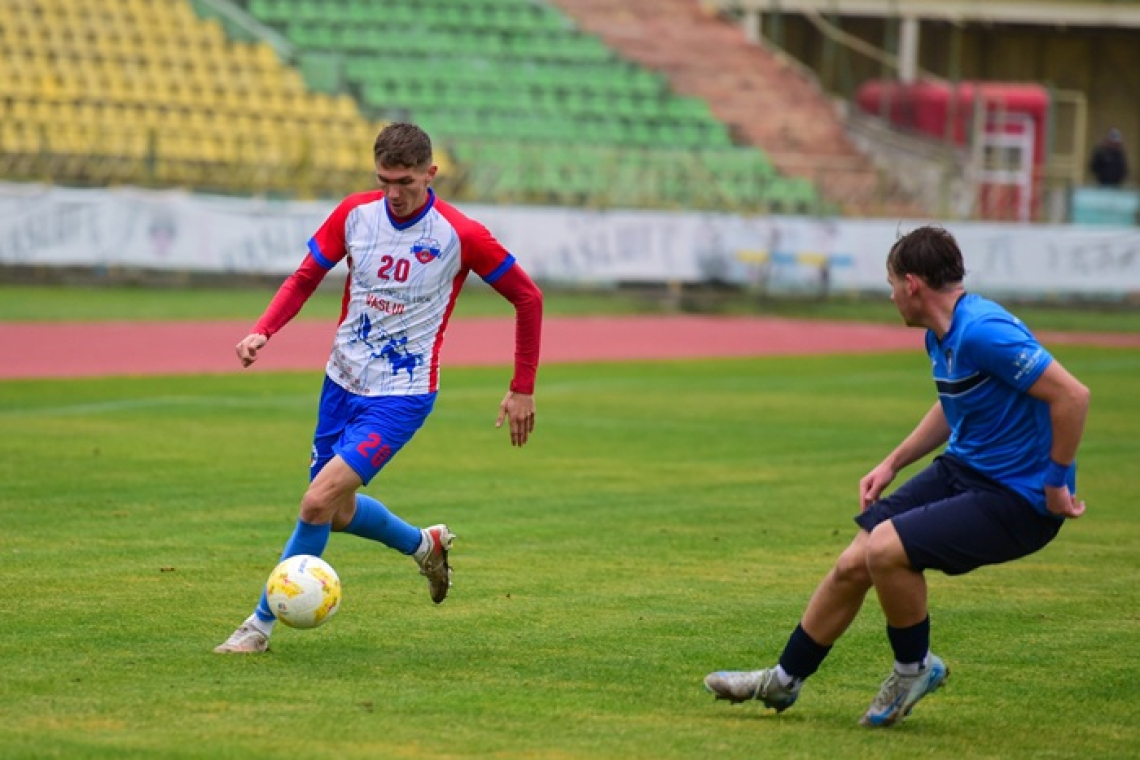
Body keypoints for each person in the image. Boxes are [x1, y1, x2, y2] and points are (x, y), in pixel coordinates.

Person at [704, 225, 1090, 727]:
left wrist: (1056, 483)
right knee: (853, 561)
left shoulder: (983, 330)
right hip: (966, 470)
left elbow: (1072, 396)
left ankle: (913, 671)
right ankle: (783, 680)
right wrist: (892, 462)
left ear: (912, 284)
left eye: (890, 284)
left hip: (1019, 498)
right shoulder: (942, 334)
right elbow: (956, 404)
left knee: (886, 548)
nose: (889, 296)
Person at [215, 122, 543, 654]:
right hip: (341, 382)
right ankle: (424, 544)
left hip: (402, 394)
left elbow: (528, 297)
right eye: (384, 179)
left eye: (406, 181)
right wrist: (263, 329)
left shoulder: (459, 235)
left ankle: (257, 627)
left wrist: (521, 385)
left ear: (431, 174)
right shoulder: (354, 215)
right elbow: (304, 277)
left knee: (317, 502)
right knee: (338, 512)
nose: (394, 192)